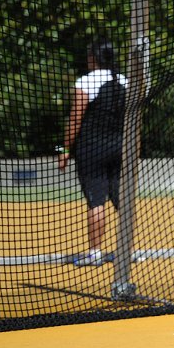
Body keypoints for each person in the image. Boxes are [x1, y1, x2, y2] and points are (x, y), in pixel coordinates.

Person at [58, 40, 128, 266]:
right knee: (122, 200)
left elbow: (75, 118)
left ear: (93, 58)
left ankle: (95, 253)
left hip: (92, 149)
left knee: (96, 201)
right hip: (119, 147)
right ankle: (126, 250)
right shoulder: (124, 81)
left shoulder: (87, 82)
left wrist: (65, 149)